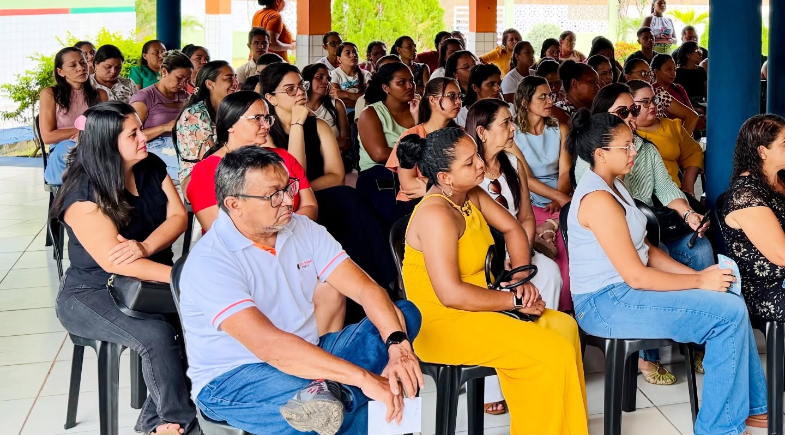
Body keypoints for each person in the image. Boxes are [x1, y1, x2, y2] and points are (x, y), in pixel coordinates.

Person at [180, 146, 423, 435]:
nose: (289, 200)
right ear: (234, 204)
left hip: (310, 350)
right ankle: (338, 396)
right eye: (274, 195)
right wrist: (365, 379)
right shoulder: (211, 260)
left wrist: (398, 347)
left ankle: (334, 394)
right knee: (315, 414)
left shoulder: (302, 228)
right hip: (236, 376)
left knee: (402, 315)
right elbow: (271, 347)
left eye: (289, 187)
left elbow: (366, 289)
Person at [566, 107, 768, 435]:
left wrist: (699, 278)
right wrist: (700, 280)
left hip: (625, 293)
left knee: (731, 297)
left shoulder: (617, 187)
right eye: (626, 147)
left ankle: (755, 409)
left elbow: (649, 251)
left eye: (634, 144)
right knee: (727, 314)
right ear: (601, 154)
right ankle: (719, 428)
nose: (635, 152)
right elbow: (636, 275)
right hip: (606, 303)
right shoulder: (597, 199)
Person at [399, 127, 588, 434]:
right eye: (469, 162)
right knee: (547, 352)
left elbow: (513, 229)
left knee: (565, 328)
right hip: (444, 322)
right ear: (445, 178)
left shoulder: (469, 194)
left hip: (478, 305)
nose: (481, 165)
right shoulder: (436, 215)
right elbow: (451, 295)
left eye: (476, 155)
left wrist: (521, 280)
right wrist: (514, 301)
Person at [51, 101, 195, 435]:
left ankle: (159, 416)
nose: (144, 137)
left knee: (201, 320)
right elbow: (117, 263)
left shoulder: (151, 166)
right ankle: (177, 422)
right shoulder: (82, 195)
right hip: (92, 293)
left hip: (151, 281)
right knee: (158, 335)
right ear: (107, 144)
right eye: (134, 134)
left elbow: (179, 217)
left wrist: (146, 247)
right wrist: (183, 279)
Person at [574, 83, 713, 382]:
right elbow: (636, 264)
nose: (632, 116)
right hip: (620, 267)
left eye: (634, 110)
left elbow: (664, 189)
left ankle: (700, 341)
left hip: (650, 236)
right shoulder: (596, 175)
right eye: (623, 111)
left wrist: (688, 213)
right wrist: (699, 282)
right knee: (720, 308)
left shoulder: (643, 152)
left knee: (701, 250)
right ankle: (649, 355)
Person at [467, 98, 566, 414]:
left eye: (512, 121)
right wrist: (501, 258)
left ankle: (536, 360)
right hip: (481, 253)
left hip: (516, 247)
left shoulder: (512, 163)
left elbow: (525, 217)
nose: (513, 129)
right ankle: (494, 384)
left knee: (549, 271)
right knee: (496, 287)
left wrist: (518, 258)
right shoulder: (469, 170)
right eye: (505, 123)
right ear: (482, 132)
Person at [186, 91, 317, 232]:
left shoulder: (283, 158)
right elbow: (220, 230)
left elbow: (310, 206)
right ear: (230, 124)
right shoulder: (206, 171)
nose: (266, 126)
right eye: (257, 118)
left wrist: (284, 237)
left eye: (267, 118)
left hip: (293, 242)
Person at [513, 76, 573, 310]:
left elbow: (565, 171)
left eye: (551, 95)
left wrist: (559, 196)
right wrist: (557, 198)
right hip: (531, 197)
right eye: (543, 96)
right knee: (553, 257)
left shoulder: (560, 128)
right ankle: (548, 308)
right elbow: (525, 178)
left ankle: (568, 312)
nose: (550, 100)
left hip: (559, 193)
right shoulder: (514, 134)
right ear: (526, 102)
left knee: (568, 250)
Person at [720, 114, 785, 324]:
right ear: (762, 151)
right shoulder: (745, 195)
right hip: (767, 287)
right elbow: (782, 255)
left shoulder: (780, 180)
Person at [261, 63, 344, 190]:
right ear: (271, 98)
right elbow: (293, 177)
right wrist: (297, 124)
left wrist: (304, 192)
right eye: (290, 89)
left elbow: (338, 176)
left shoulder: (319, 125)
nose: (300, 92)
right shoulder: (264, 132)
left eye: (302, 85)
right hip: (284, 205)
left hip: (319, 193)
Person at [356, 63, 418, 226]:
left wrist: (418, 120)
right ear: (386, 88)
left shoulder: (419, 110)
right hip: (379, 172)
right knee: (396, 213)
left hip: (415, 171)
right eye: (401, 82)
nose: (410, 86)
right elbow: (380, 154)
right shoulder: (371, 113)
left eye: (411, 81)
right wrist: (418, 155)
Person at [386, 77, 461, 202]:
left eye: (460, 96)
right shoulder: (411, 136)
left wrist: (429, 187)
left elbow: (467, 179)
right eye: (452, 96)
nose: (458, 101)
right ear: (432, 100)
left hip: (452, 201)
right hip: (413, 203)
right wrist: (446, 188)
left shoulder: (461, 135)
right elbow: (408, 184)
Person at [41, 47, 108, 185]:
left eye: (83, 63)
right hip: (63, 157)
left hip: (94, 149)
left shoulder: (100, 94)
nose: (81, 68)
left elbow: (106, 128)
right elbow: (47, 137)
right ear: (60, 72)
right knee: (69, 147)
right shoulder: (50, 94)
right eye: (73, 65)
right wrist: (82, 131)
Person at [628, 80, 704, 198]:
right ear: (630, 105)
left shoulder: (672, 126)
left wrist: (688, 186)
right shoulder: (622, 132)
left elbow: (694, 153)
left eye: (654, 100)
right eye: (645, 102)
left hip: (673, 196)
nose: (653, 105)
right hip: (636, 198)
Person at [173, 60, 238, 190]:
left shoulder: (225, 109)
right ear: (209, 84)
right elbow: (209, 161)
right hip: (197, 180)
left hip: (226, 173)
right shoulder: (195, 114)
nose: (235, 83)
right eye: (229, 79)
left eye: (235, 78)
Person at [130, 51, 192, 183]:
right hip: (155, 146)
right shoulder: (144, 97)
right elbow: (131, 136)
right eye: (179, 78)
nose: (183, 83)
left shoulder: (185, 96)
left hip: (182, 144)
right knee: (188, 170)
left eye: (186, 80)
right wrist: (165, 127)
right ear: (164, 72)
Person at [624, 58, 699, 133]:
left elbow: (692, 116)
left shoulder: (659, 94)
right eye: (643, 73)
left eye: (649, 74)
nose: (648, 77)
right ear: (627, 77)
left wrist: (680, 142)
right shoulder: (620, 98)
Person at [304, 63, 351, 152]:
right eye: (320, 77)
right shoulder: (299, 107)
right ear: (307, 81)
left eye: (328, 79)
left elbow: (345, 142)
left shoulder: (336, 104)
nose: (326, 82)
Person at [552, 60, 599, 125]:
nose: (597, 87)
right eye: (592, 82)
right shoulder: (558, 113)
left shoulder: (597, 109)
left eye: (597, 83)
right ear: (574, 83)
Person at [330, 42, 372, 110]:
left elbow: (369, 98)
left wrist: (345, 94)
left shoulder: (366, 75)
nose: (353, 55)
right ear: (339, 59)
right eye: (348, 53)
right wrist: (360, 99)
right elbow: (338, 102)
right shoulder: (334, 75)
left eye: (355, 52)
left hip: (364, 113)